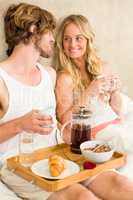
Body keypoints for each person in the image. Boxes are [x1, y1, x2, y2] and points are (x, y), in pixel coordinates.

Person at [0, 4, 102, 200]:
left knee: (120, 183)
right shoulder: (2, 79)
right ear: (33, 30)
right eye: (49, 32)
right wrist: (20, 124)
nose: (54, 40)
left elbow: (56, 123)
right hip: (20, 164)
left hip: (58, 155)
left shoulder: (49, 75)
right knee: (83, 197)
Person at [54, 14, 133, 199]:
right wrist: (89, 91)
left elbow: (116, 109)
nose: (73, 44)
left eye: (78, 38)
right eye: (67, 39)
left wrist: (115, 92)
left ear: (88, 39)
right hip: (98, 135)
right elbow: (64, 121)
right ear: (62, 43)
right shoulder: (65, 78)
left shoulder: (101, 67)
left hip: (116, 124)